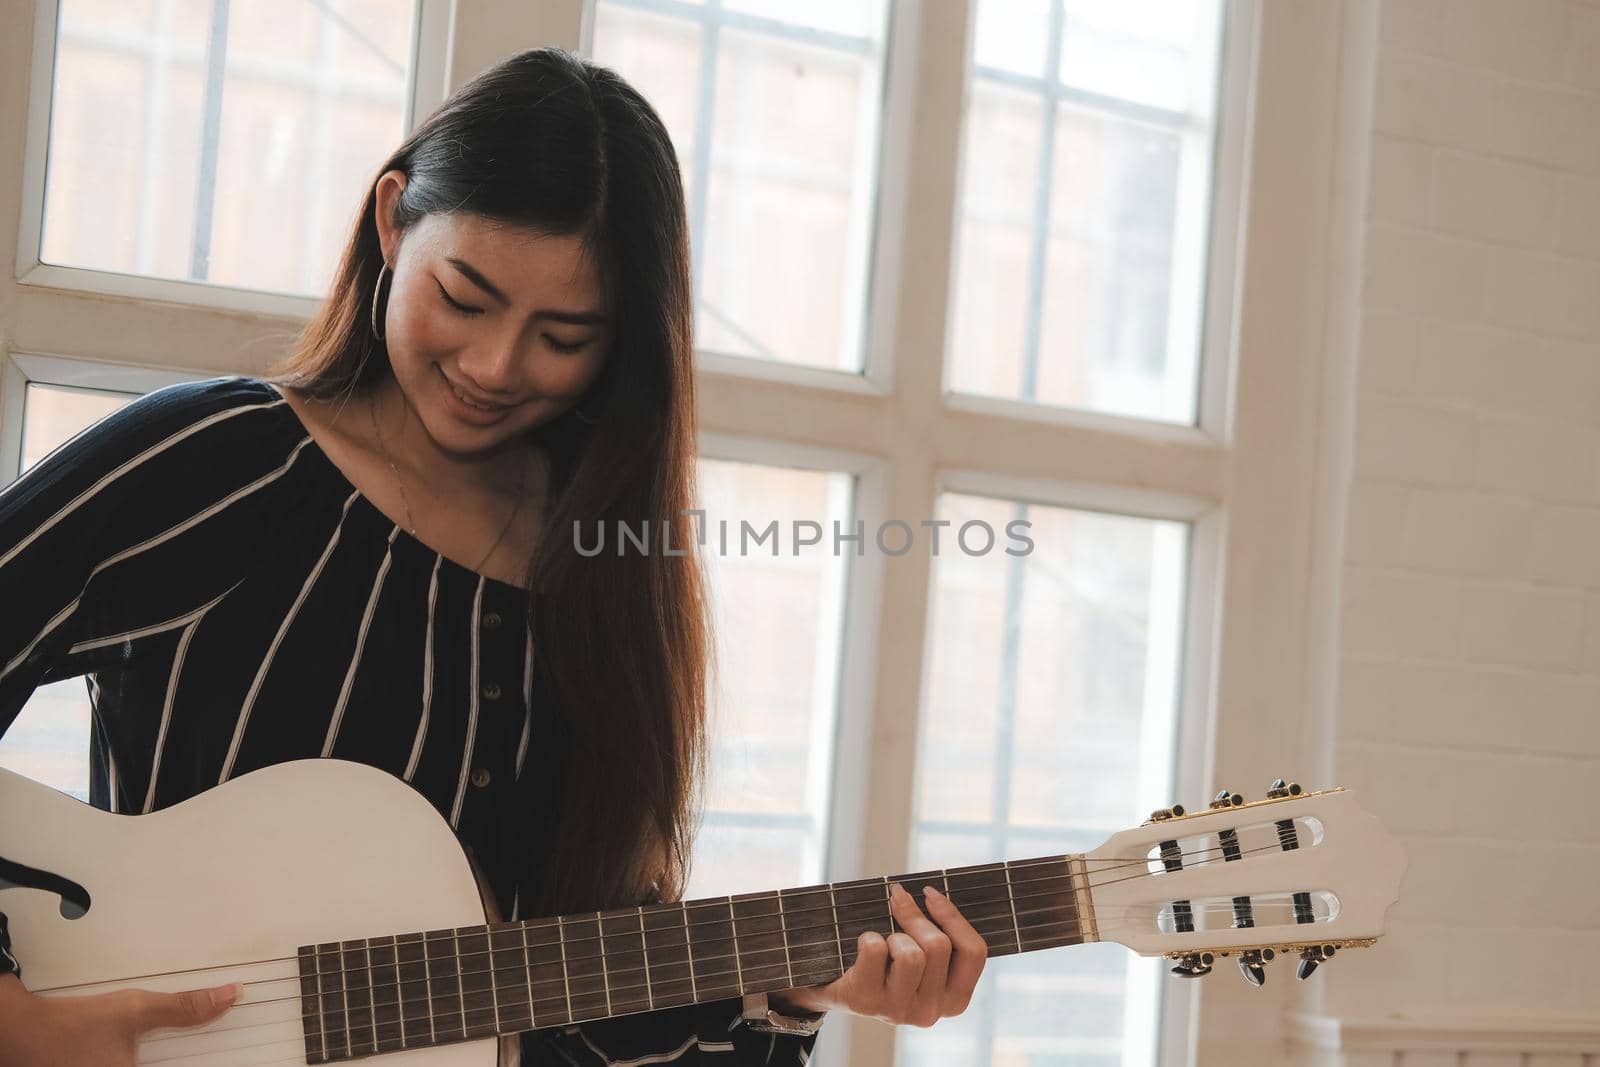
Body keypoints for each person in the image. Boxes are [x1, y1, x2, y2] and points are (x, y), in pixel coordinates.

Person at [0, 46, 987, 1065]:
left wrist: (785, 990)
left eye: (564, 335)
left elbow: (567, 1027)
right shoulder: (217, 464)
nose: (493, 366)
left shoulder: (599, 572)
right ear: (392, 221)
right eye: (465, 299)